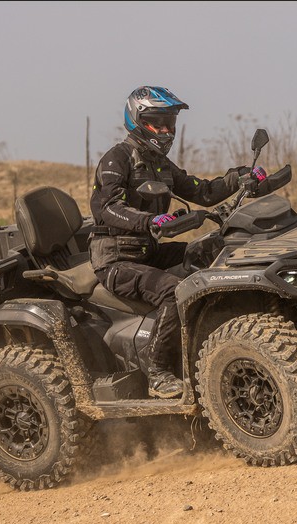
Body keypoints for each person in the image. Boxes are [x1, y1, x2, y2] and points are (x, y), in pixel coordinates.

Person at [89, 86, 266, 399]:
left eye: (169, 122)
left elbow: (201, 191)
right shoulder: (117, 159)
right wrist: (149, 221)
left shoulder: (160, 164)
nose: (166, 130)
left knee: (210, 251)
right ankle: (157, 373)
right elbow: (108, 207)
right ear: (137, 120)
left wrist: (240, 177)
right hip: (115, 259)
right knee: (173, 291)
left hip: (148, 251)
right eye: (158, 123)